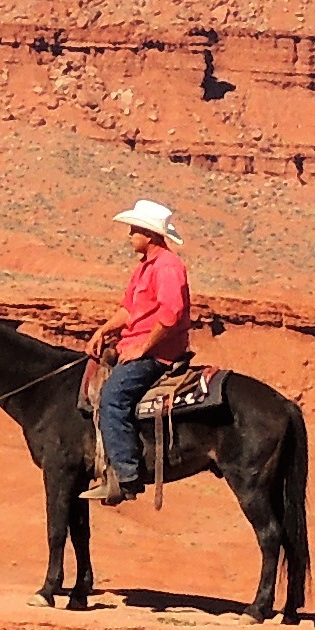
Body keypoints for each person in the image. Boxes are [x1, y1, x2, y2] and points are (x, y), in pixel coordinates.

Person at [86, 200, 195, 505]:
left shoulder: (168, 267)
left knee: (113, 398)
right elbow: (128, 309)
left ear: (149, 234)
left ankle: (125, 476)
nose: (130, 235)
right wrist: (104, 330)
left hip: (158, 353)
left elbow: (171, 314)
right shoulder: (144, 268)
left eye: (134, 229)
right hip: (137, 345)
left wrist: (142, 348)